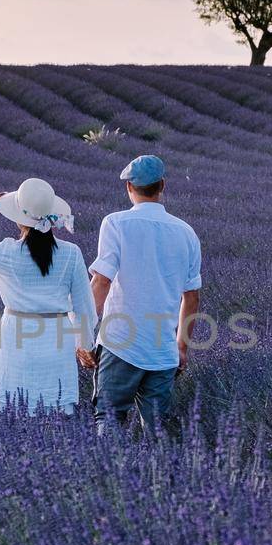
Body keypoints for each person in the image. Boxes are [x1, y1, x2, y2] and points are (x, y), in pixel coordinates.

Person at [0, 178, 98, 414]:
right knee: (55, 418)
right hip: (57, 340)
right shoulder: (71, 253)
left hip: (15, 339)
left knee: (12, 413)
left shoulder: (5, 251)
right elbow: (84, 308)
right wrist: (85, 345)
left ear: (19, 218)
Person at [89, 154, 202, 431]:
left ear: (129, 187)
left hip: (120, 345)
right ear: (162, 185)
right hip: (163, 350)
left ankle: (106, 475)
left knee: (110, 420)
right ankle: (160, 474)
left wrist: (81, 334)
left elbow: (101, 282)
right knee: (157, 430)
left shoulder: (115, 223)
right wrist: (181, 347)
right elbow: (192, 298)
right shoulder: (187, 233)